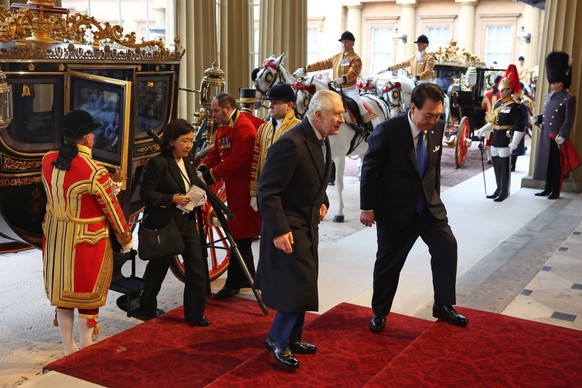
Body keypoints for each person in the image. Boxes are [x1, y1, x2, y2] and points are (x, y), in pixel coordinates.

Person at [359, 83, 468, 334]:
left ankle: (443, 304)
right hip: (396, 211)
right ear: (413, 108)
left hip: (429, 209)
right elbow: (370, 170)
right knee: (388, 263)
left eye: (438, 115)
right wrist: (367, 207)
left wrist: (436, 199)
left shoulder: (437, 128)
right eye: (428, 114)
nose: (433, 120)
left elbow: (434, 168)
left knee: (446, 247)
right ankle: (380, 312)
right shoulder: (388, 131)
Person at [255, 90, 343, 370]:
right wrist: (279, 230)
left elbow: (315, 179)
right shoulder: (291, 144)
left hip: (307, 225)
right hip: (288, 228)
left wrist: (324, 201)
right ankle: (277, 340)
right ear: (318, 115)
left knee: (304, 283)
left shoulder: (322, 139)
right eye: (337, 114)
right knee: (299, 284)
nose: (341, 119)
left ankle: (292, 339)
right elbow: (268, 191)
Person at [41, 109, 133, 356]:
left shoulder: (46, 160)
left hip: (55, 239)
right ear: (88, 138)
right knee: (87, 298)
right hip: (87, 240)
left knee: (63, 296)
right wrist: (125, 237)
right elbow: (111, 210)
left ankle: (68, 348)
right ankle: (86, 346)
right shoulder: (95, 170)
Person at [137, 119, 210, 327]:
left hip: (186, 222)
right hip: (165, 223)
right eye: (184, 141)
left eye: (191, 141)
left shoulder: (187, 161)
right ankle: (146, 305)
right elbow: (146, 194)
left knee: (197, 266)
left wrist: (198, 198)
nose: (189, 145)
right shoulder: (158, 163)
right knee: (158, 267)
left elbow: (192, 184)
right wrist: (171, 198)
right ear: (171, 141)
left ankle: (195, 315)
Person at [199, 93, 261, 299]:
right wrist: (201, 168)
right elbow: (217, 152)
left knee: (239, 236)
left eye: (216, 111)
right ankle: (245, 277)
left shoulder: (243, 129)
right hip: (233, 189)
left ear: (227, 108)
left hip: (244, 192)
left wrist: (209, 177)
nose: (213, 115)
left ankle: (235, 282)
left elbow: (235, 161)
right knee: (239, 237)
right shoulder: (225, 126)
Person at [292, 31, 373, 134]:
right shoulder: (337, 58)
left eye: (346, 42)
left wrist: (344, 79)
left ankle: (369, 131)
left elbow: (354, 72)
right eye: (343, 42)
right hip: (335, 89)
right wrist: (305, 69)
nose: (344, 44)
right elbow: (322, 64)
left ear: (352, 43)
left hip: (349, 90)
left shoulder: (355, 59)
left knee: (360, 107)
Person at [249, 82, 301, 212]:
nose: (270, 106)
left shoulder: (299, 128)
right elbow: (255, 163)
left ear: (289, 105)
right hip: (265, 193)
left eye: (276, 102)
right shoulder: (262, 128)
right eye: (270, 102)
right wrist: (254, 193)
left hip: (290, 196)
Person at [478, 64, 526, 202]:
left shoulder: (515, 106)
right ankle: (498, 188)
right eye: (500, 89)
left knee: (504, 167)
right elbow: (493, 122)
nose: (501, 92)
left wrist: (515, 143)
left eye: (504, 90)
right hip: (496, 138)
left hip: (506, 138)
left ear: (510, 90)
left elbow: (519, 126)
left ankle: (505, 190)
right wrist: (482, 129)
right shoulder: (498, 104)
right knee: (497, 165)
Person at [533, 51, 577, 199]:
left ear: (563, 80)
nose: (554, 85)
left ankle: (555, 190)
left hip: (557, 137)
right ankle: (547, 188)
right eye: (552, 82)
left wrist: (563, 135)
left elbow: (569, 119)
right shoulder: (549, 96)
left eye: (556, 82)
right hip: (546, 134)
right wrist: (538, 118)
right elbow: (547, 114)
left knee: (556, 165)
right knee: (547, 163)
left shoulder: (569, 98)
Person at [481, 74, 503, 163]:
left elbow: (483, 105)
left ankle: (489, 157)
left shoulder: (487, 94)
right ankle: (495, 156)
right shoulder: (502, 95)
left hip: (488, 118)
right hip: (499, 118)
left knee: (488, 138)